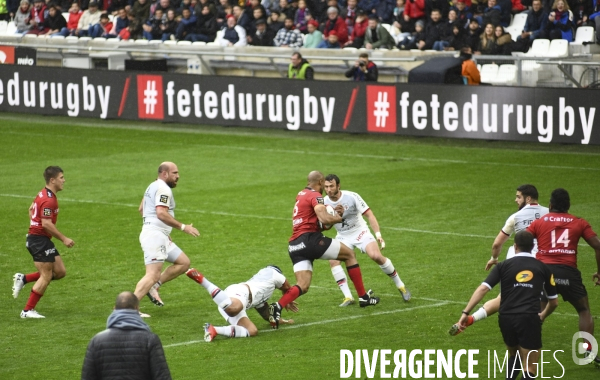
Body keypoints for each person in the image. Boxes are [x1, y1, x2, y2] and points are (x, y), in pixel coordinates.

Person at [268, 171, 380, 329]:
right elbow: (325, 219)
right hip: (310, 241)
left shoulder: (301, 195)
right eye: (324, 185)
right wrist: (340, 218)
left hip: (295, 245)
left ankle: (277, 306)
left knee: (303, 285)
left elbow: (321, 224)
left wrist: (334, 215)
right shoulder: (315, 196)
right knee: (349, 254)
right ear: (320, 182)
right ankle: (363, 297)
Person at [456, 231, 558, 380]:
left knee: (514, 355)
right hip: (529, 317)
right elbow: (554, 302)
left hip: (506, 317)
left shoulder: (503, 266)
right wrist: (543, 315)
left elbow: (483, 289)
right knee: (530, 367)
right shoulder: (543, 268)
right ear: (533, 247)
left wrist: (466, 312)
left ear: (515, 246)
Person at [450, 184, 548, 334]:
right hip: (541, 263)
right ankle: (533, 326)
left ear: (528, 199)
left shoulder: (516, 217)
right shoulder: (548, 214)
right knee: (543, 297)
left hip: (516, 261)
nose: (515, 200)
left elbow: (497, 243)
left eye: (518, 197)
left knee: (503, 297)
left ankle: (471, 318)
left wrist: (494, 258)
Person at [527, 188, 600, 366]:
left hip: (543, 272)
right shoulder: (579, 222)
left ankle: (527, 348)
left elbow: (523, 240)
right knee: (583, 310)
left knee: (537, 312)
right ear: (568, 206)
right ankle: (588, 351)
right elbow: (598, 245)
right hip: (568, 272)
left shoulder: (539, 222)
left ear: (550, 205)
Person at [323, 174, 410, 307]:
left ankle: (400, 285)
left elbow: (369, 214)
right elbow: (326, 227)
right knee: (333, 261)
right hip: (343, 236)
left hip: (360, 232)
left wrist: (378, 234)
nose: (328, 190)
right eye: (326, 187)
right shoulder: (323, 203)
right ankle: (348, 297)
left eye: (331, 186)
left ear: (338, 186)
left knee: (375, 256)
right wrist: (335, 216)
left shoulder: (352, 196)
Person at [133, 162, 200, 316]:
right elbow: (161, 213)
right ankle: (127, 309)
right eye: (175, 173)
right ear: (165, 174)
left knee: (183, 262)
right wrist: (183, 227)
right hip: (154, 236)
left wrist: (162, 229)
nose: (178, 176)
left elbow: (141, 209)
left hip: (159, 234)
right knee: (152, 274)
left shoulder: (152, 186)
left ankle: (154, 286)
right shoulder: (164, 189)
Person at [12, 166, 75, 319]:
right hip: (38, 240)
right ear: (52, 180)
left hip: (41, 239)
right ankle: (27, 311)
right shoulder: (49, 200)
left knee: (59, 272)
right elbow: (46, 223)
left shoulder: (43, 194)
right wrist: (64, 239)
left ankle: (24, 278)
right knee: (46, 276)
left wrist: (34, 224)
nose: (64, 180)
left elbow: (30, 209)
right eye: (61, 177)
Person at [186, 265, 297, 341]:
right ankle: (202, 280)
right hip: (239, 293)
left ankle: (213, 329)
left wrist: (282, 321)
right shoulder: (273, 273)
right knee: (233, 309)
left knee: (252, 331)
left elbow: (266, 314)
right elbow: (288, 287)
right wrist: (286, 299)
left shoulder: (264, 290)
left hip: (232, 302)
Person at [81, 291, 172, 380]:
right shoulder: (149, 339)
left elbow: (88, 376)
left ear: (114, 308)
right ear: (137, 309)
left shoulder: (97, 340)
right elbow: (162, 375)